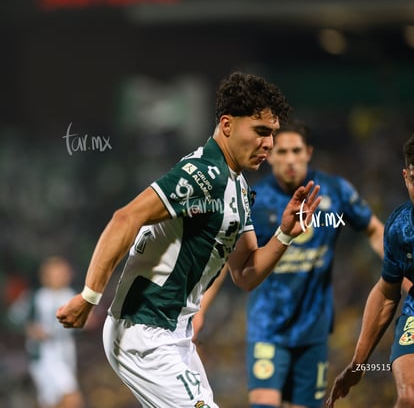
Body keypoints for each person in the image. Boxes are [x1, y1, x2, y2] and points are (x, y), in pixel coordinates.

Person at [55, 71, 321, 408]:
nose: (268, 144)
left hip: (175, 334)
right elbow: (126, 217)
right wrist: (89, 296)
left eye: (272, 134)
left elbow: (246, 273)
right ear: (227, 125)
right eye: (260, 132)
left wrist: (284, 234)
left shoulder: (237, 188)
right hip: (145, 332)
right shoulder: (202, 175)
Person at [193, 118, 385, 408]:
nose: (290, 159)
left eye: (296, 151)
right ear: (269, 155)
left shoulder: (335, 192)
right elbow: (227, 259)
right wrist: (200, 310)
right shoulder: (253, 199)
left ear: (308, 152)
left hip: (314, 329)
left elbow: (374, 230)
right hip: (268, 326)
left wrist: (403, 268)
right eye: (282, 152)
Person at [326, 134, 414, 408]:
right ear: (405, 177)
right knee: (409, 397)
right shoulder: (401, 228)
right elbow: (388, 293)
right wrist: (358, 363)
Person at [8, 256, 85, 408]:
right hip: (45, 354)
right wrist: (30, 328)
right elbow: (13, 317)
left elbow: (81, 323)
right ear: (45, 277)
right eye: (56, 273)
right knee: (72, 398)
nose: (61, 276)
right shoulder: (35, 297)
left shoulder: (73, 296)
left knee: (52, 402)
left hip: (66, 351)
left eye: (63, 273)